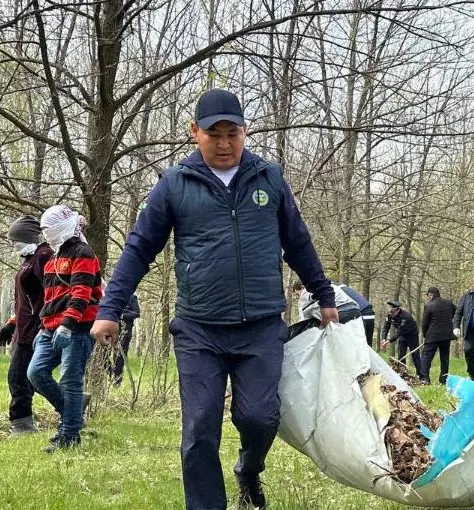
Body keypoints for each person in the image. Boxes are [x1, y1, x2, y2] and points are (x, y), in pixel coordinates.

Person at [91, 89, 338, 510]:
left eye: (232, 133)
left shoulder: (269, 178)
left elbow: (298, 242)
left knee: (260, 418)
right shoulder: (175, 184)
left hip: (260, 326)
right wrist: (109, 309)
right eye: (213, 134)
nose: (224, 144)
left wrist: (324, 294)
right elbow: (139, 248)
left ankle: (248, 469)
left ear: (245, 132)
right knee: (200, 429)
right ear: (195, 133)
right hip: (199, 330)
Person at [26, 206, 101, 452]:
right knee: (36, 373)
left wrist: (68, 325)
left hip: (77, 328)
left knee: (70, 379)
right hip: (49, 328)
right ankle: (73, 414)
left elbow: (81, 292)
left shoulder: (83, 253)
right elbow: (49, 298)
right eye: (43, 230)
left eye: (49, 228)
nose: (46, 234)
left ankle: (69, 435)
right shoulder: (52, 260)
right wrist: (42, 328)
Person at [5, 215, 53, 436]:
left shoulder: (43, 256)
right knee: (29, 377)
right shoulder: (29, 258)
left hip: (35, 329)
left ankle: (22, 426)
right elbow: (26, 297)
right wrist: (13, 323)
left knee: (19, 378)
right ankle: (72, 401)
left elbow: (50, 295)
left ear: (27, 236)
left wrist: (44, 324)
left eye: (15, 238)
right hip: (22, 327)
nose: (13, 243)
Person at [420, 287, 456, 385]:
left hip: (432, 335)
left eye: (428, 295)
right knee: (444, 357)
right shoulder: (449, 303)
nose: (428, 297)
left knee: (426, 356)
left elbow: (424, 323)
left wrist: (424, 335)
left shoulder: (429, 305)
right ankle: (444, 379)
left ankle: (425, 378)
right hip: (446, 335)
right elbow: (455, 312)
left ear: (431, 294)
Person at [380, 300, 424, 380]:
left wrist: (389, 341)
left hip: (412, 335)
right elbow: (386, 327)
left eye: (393, 313)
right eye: (390, 313)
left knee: (415, 355)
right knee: (401, 355)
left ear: (398, 310)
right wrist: (383, 338)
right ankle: (403, 374)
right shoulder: (390, 315)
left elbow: (399, 331)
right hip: (402, 336)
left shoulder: (406, 317)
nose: (391, 315)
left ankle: (420, 375)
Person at [110, 293, 140, 385]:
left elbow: (136, 313)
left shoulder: (132, 297)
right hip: (110, 330)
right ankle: (110, 373)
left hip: (125, 331)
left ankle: (117, 380)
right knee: (103, 354)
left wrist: (122, 316)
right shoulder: (112, 295)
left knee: (120, 357)